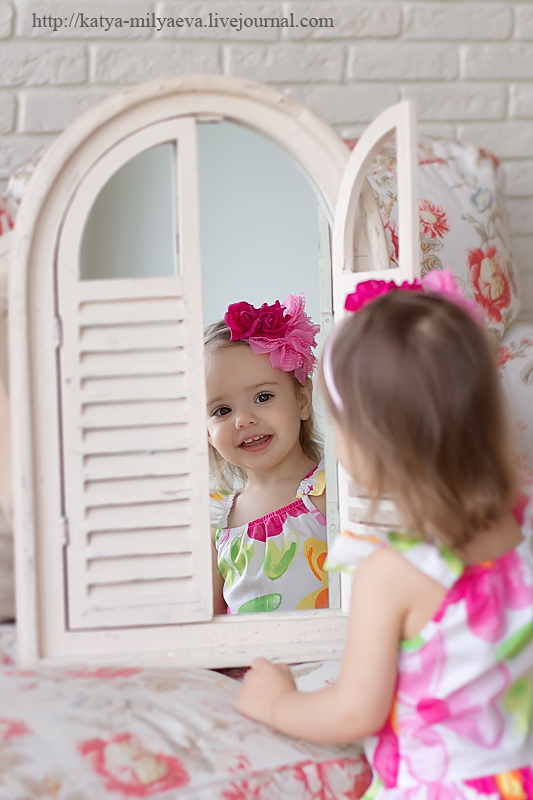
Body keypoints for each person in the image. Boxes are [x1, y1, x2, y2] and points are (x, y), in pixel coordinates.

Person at [235, 271, 533, 797]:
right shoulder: (522, 523)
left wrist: (277, 702)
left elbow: (354, 711)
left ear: (367, 444)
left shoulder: (392, 573)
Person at [205, 294, 329, 615]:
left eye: (263, 397)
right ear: (206, 431)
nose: (243, 419)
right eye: (222, 410)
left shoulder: (329, 493)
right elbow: (210, 623)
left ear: (302, 401)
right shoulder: (217, 521)